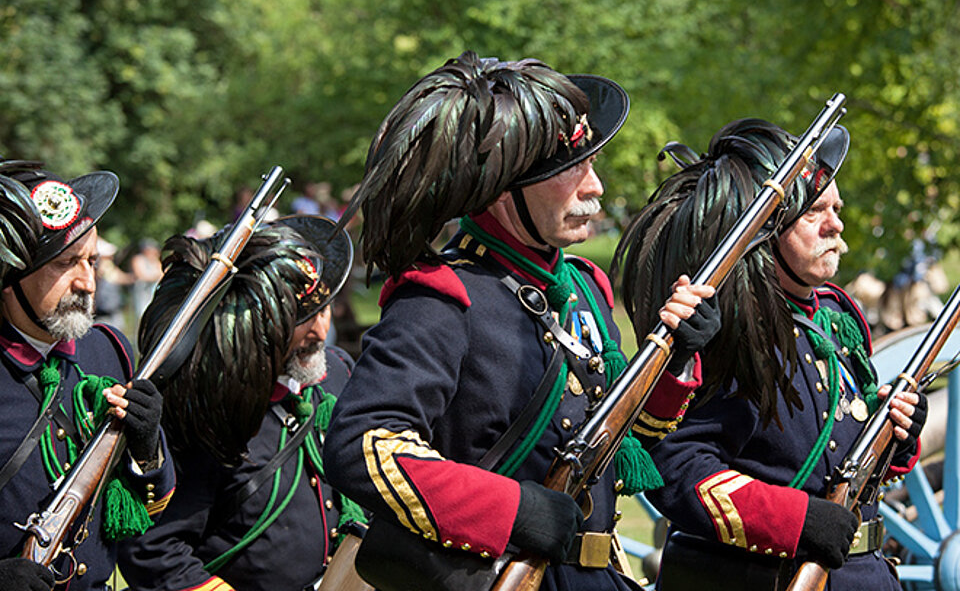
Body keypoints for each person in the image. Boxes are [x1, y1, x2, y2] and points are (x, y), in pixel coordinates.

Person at [323, 51, 719, 591]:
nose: (594, 187)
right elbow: (362, 443)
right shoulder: (442, 297)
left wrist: (675, 360)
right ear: (505, 187)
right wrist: (511, 509)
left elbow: (624, 437)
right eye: (571, 170)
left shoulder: (585, 289)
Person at [612, 120, 926, 590]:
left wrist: (898, 431)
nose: (835, 224)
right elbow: (674, 465)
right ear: (768, 228)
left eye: (835, 208)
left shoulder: (837, 315)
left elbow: (842, 445)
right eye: (815, 211)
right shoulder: (727, 328)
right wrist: (796, 521)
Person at [117, 215, 364, 591]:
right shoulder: (208, 414)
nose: (320, 331)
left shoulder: (338, 375)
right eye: (303, 318)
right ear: (257, 324)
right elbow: (154, 552)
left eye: (323, 309)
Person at [0, 161, 174, 591]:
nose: (88, 282)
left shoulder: (106, 351)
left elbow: (151, 511)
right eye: (66, 263)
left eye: (91, 260)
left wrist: (147, 449)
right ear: (10, 275)